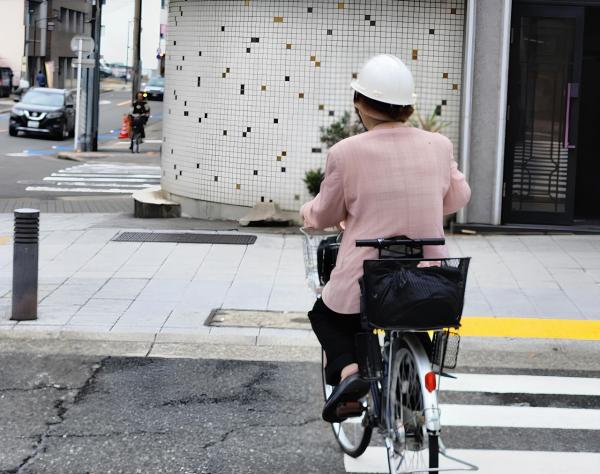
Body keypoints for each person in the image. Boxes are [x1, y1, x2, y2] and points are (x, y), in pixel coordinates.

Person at [301, 54, 471, 423]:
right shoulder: (438, 145)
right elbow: (458, 197)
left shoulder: (345, 152)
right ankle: (413, 388)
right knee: (410, 314)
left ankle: (349, 376)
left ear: (360, 104)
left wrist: (307, 213)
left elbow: (326, 214)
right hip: (428, 275)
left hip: (367, 277)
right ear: (408, 106)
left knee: (326, 317)